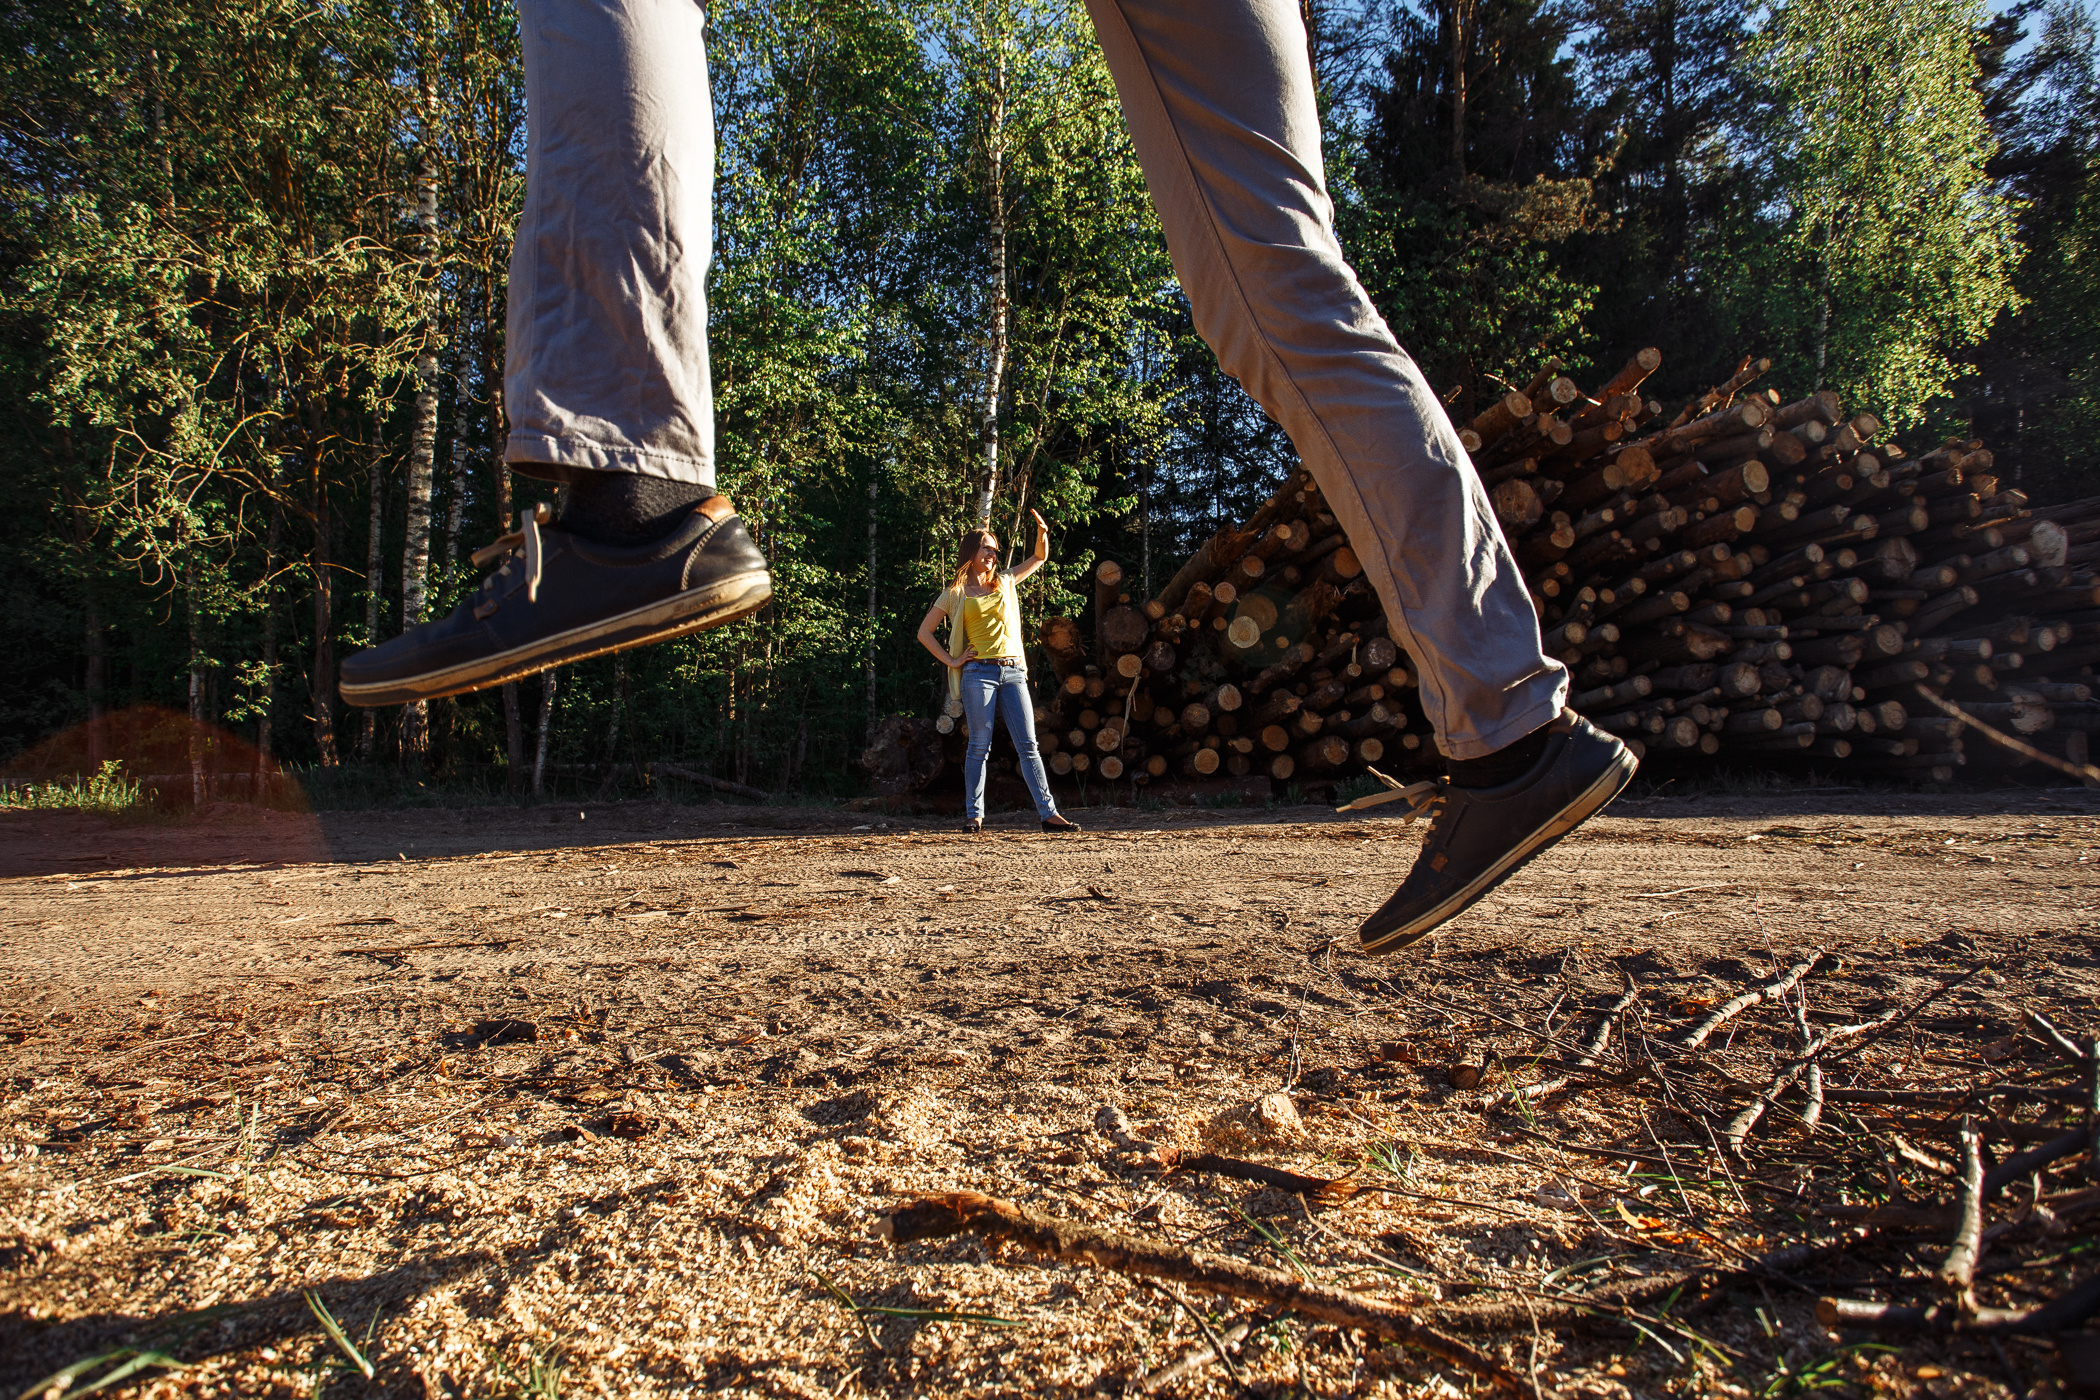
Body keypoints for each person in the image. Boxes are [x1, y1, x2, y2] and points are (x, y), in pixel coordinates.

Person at [338, 0, 1634, 953]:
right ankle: (1512, 725)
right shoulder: (975, 589)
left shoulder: (989, 583)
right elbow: (994, 582)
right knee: (1287, 285)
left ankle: (631, 498)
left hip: (994, 668)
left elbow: (1014, 572)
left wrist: (1026, 562)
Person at [916, 511, 1081, 835]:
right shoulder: (955, 592)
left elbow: (1039, 557)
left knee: (1028, 745)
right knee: (979, 744)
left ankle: (1049, 815)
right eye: (987, 549)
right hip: (978, 673)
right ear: (972, 554)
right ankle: (974, 816)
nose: (993, 554)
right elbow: (924, 632)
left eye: (995, 549)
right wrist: (953, 660)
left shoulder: (1005, 580)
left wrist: (1042, 532)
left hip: (1014, 672)